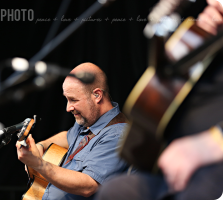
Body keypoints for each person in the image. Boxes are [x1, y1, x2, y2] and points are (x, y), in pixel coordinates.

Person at [95, 0, 223, 199]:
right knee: (115, 192)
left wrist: (209, 145)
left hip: (213, 169)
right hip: (171, 173)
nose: (212, 3)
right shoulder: (197, 43)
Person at [16, 62, 130, 199]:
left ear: (97, 95)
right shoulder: (88, 120)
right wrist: (42, 145)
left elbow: (89, 185)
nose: (68, 108)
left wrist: (38, 164)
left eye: (73, 100)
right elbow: (67, 136)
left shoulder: (118, 134)